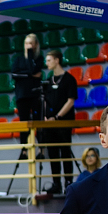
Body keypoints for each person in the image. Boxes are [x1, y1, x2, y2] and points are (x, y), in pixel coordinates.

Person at [38, 49, 78, 196]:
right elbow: (45, 102)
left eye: (49, 60)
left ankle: (68, 182)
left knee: (65, 152)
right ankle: (56, 183)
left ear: (57, 60)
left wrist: (58, 117)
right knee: (53, 153)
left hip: (64, 122)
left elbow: (71, 101)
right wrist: (46, 117)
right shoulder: (47, 81)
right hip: (49, 123)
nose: (46, 63)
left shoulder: (69, 79)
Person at [11, 33, 45, 128]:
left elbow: (32, 69)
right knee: (24, 125)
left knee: (38, 123)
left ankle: (40, 142)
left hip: (35, 95)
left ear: (36, 44)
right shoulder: (18, 59)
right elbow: (14, 74)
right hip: (22, 95)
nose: (28, 46)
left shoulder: (39, 59)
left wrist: (29, 54)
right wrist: (31, 75)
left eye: (30, 43)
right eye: (26, 43)